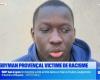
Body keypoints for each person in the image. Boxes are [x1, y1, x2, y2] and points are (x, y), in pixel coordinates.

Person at [15, 0, 100, 68]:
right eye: (45, 30)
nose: (56, 39)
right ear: (33, 35)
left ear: (74, 34)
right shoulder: (15, 73)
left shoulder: (95, 71)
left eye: (65, 30)